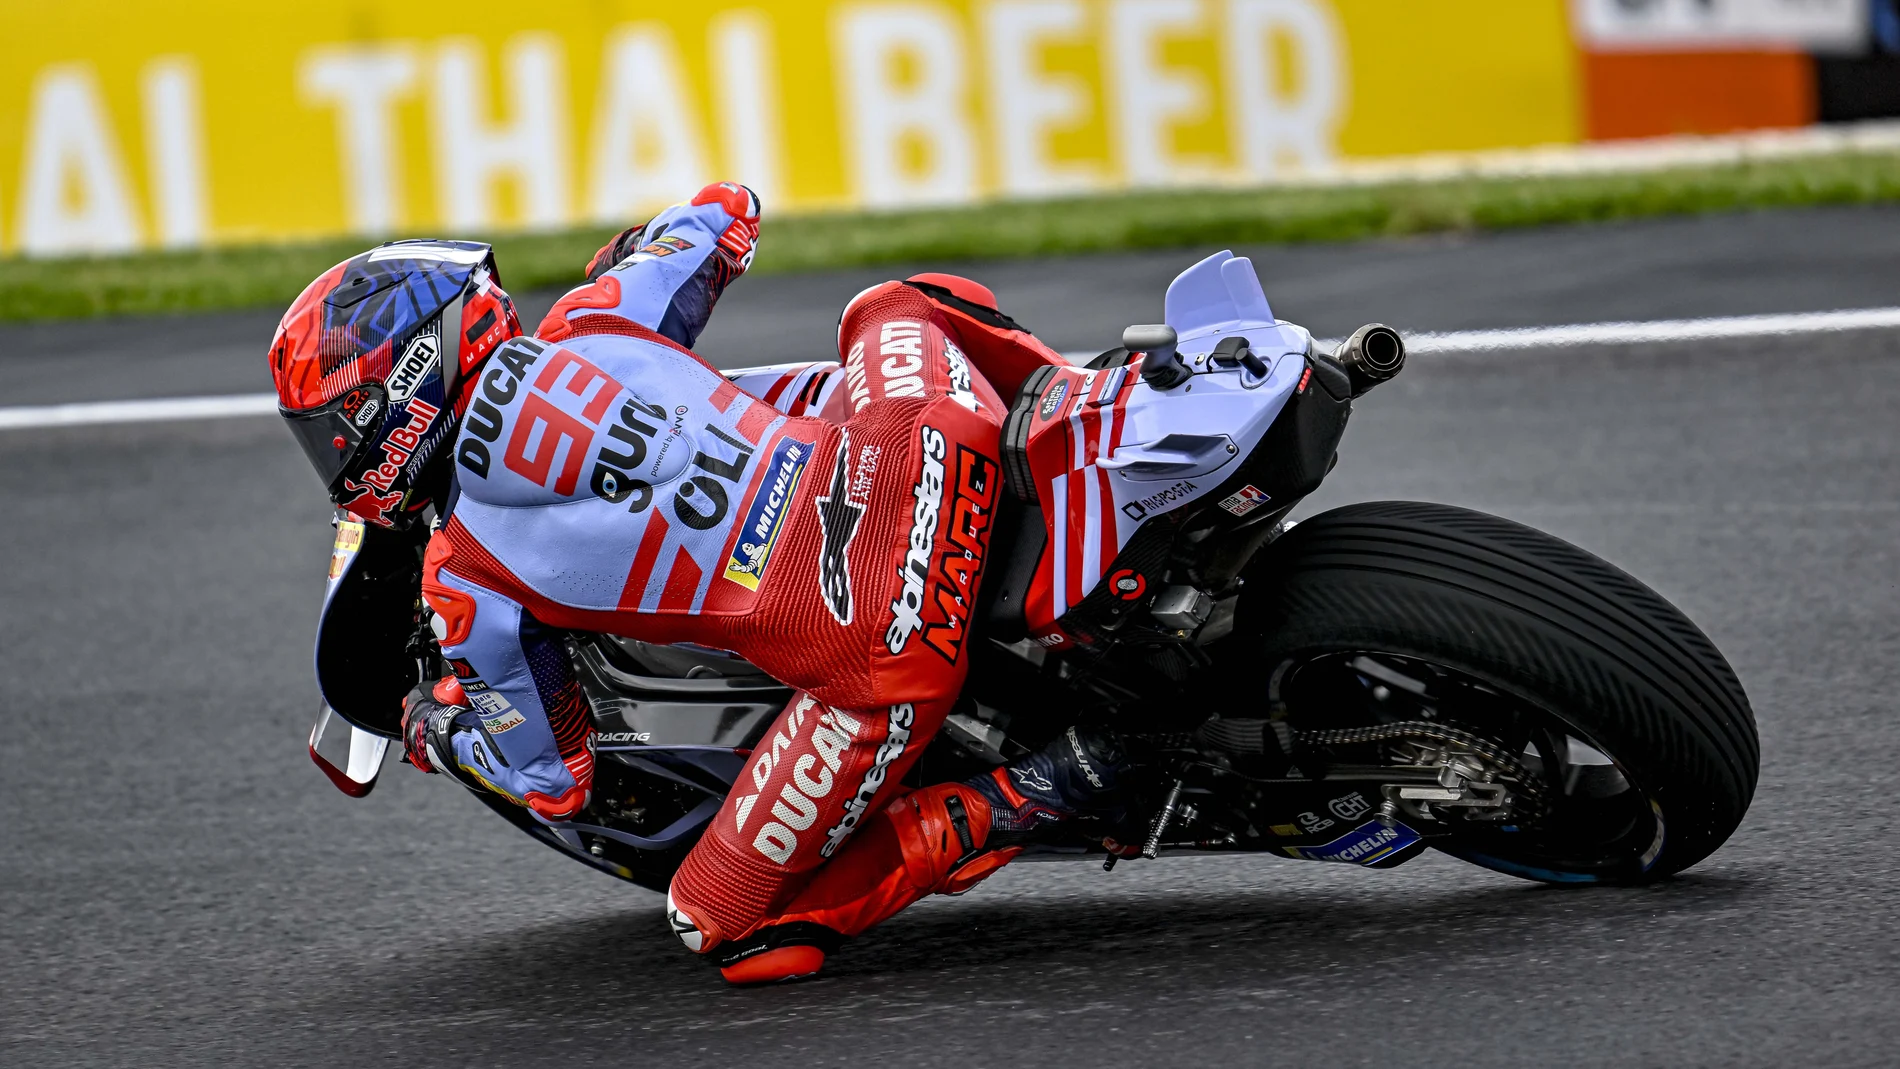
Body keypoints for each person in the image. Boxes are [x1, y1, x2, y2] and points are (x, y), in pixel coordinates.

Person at [270, 182, 1127, 984]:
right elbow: (729, 212)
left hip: (887, 641)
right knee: (895, 304)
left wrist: (430, 729)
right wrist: (631, 252)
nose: (337, 460)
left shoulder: (462, 572)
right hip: (923, 444)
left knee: (719, 926)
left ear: (401, 396)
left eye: (337, 433)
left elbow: (554, 780)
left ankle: (1049, 786)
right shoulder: (593, 320)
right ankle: (1085, 408)